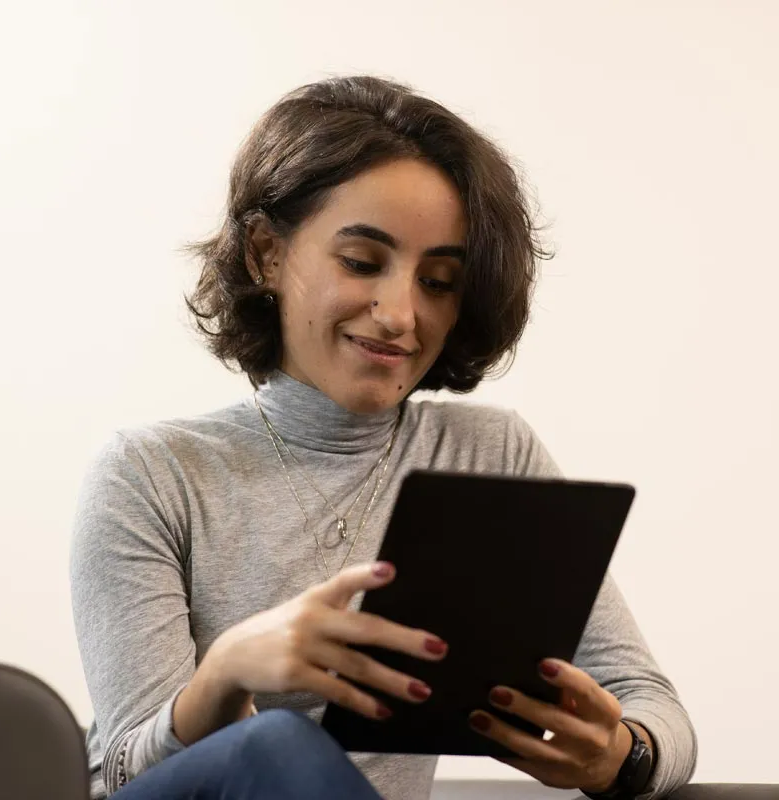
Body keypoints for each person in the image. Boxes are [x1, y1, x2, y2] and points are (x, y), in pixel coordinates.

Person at [70, 75, 697, 800]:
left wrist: (623, 755)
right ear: (265, 254)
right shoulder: (150, 474)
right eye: (363, 263)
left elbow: (656, 707)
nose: (401, 314)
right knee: (275, 745)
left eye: (437, 282)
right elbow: (114, 776)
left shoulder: (491, 457)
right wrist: (226, 673)